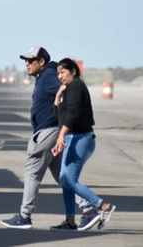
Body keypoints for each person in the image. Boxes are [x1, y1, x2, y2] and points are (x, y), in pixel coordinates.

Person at [1, 47, 100, 231]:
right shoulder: (43, 77)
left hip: (49, 132)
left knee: (31, 171)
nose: (27, 64)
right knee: (62, 176)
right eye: (26, 60)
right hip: (52, 132)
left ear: (42, 62)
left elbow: (73, 87)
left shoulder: (49, 75)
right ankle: (88, 210)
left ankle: (24, 216)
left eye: (31, 60)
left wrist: (69, 114)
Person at [49, 58, 116, 231]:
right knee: (65, 179)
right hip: (72, 138)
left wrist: (61, 135)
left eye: (62, 72)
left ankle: (102, 207)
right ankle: (70, 222)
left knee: (68, 179)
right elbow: (60, 117)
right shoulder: (67, 90)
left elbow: (73, 114)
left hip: (80, 138)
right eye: (58, 73)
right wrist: (57, 97)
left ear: (73, 71)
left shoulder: (77, 87)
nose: (60, 76)